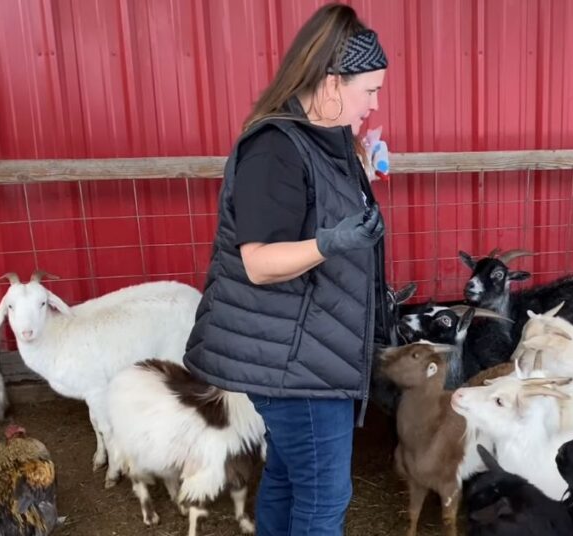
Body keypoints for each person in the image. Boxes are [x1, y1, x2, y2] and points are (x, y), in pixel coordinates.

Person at [182, 4, 391, 535]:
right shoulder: (274, 149)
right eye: (368, 91)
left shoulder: (325, 136)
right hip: (293, 362)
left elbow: (314, 200)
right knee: (324, 498)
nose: (374, 104)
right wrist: (332, 241)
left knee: (289, 477)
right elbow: (258, 263)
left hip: (306, 348)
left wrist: (363, 167)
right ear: (330, 83)